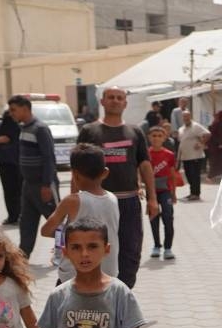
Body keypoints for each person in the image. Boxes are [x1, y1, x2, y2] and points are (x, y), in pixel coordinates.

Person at [76, 86, 158, 289]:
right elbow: (77, 169)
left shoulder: (135, 131)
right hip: (96, 202)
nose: (115, 100)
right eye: (110, 97)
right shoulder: (89, 131)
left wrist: (153, 198)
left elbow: (145, 165)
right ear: (102, 102)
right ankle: (99, 297)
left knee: (130, 252)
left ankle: (123, 298)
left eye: (119, 98)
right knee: (97, 251)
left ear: (125, 103)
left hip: (128, 202)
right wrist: (74, 201)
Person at [40, 144, 120, 284]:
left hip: (75, 274)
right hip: (108, 272)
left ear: (74, 174)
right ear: (105, 172)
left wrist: (66, 235)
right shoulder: (113, 198)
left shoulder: (72, 200)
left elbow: (46, 230)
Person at [9, 94, 60, 259]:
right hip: (28, 185)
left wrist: (46, 184)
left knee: (55, 221)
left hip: (43, 185)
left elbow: (49, 158)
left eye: (14, 110)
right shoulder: (23, 128)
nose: (11, 113)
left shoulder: (40, 128)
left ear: (25, 108)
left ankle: (64, 251)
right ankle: (23, 256)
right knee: (26, 222)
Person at [145, 126, 177, 260]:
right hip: (151, 191)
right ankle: (156, 246)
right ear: (149, 137)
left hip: (165, 191)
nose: (156, 138)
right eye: (154, 135)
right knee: (153, 218)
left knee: (168, 218)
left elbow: (172, 174)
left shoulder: (169, 154)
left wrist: (173, 192)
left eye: (159, 135)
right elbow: (140, 172)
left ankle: (168, 248)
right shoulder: (145, 154)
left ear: (164, 138)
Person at [0, 110, 23, 225]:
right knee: (9, 192)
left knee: (19, 191)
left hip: (18, 166)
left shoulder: (20, 131)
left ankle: (20, 215)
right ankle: (12, 216)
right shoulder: (2, 130)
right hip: (5, 166)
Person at [177, 110, 210, 201]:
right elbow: (181, 143)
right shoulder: (181, 129)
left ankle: (196, 194)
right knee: (188, 175)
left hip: (195, 156)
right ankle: (192, 193)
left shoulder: (195, 126)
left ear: (190, 116)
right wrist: (178, 157)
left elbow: (207, 134)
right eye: (184, 116)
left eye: (187, 116)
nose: (186, 118)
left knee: (195, 175)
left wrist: (201, 143)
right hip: (185, 156)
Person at [206, 110, 222, 181]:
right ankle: (210, 176)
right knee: (215, 161)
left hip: (221, 145)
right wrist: (220, 143)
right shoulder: (218, 124)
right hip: (217, 146)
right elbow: (216, 135)